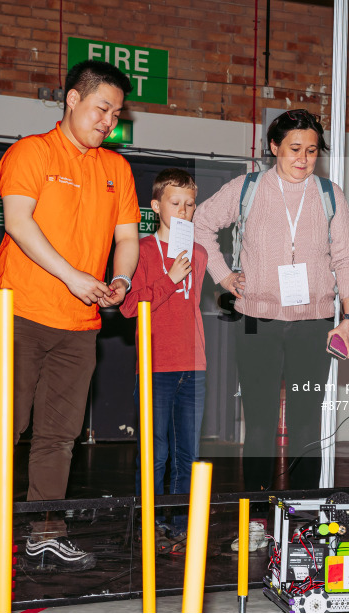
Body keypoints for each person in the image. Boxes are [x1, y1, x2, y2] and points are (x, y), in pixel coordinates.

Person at [0, 60, 140, 570]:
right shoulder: (31, 152)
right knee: (6, 426)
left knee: (60, 435)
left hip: (80, 324)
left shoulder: (117, 169)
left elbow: (127, 238)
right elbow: (18, 221)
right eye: (102, 108)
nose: (109, 121)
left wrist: (121, 281)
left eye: (117, 113)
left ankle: (46, 530)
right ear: (71, 99)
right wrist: (72, 275)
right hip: (24, 309)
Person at [195, 109, 349, 498]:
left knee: (306, 424)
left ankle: (303, 512)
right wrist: (222, 275)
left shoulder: (329, 194)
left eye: (312, 150)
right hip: (257, 322)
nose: (303, 158)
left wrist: (348, 317)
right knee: (259, 423)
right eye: (294, 149)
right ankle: (254, 512)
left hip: (314, 323)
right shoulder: (246, 188)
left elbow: (347, 258)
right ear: (274, 147)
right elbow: (200, 224)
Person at [119, 168, 207, 553]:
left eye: (190, 204)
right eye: (175, 204)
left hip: (193, 363)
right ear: (155, 207)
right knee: (155, 453)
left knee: (188, 454)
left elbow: (191, 307)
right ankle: (148, 525)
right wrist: (170, 278)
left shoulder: (199, 253)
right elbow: (127, 307)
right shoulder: (139, 248)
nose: (183, 211)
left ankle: (181, 525)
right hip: (156, 364)